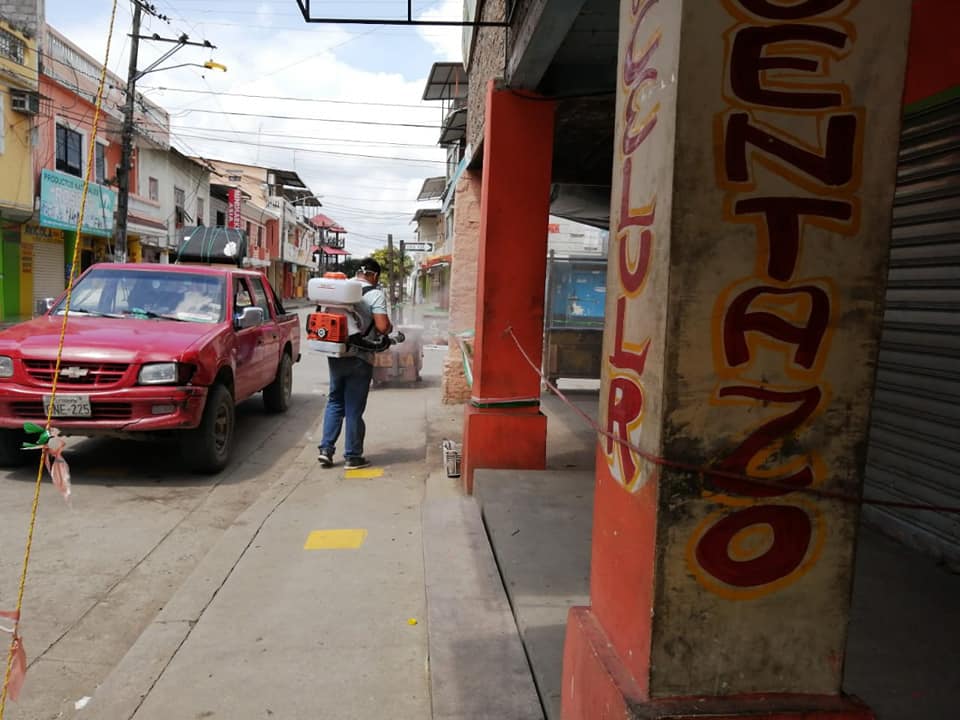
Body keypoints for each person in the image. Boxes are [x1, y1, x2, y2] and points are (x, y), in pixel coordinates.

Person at [317, 258, 392, 469]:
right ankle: (353, 456)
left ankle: (326, 450)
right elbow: (382, 326)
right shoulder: (375, 294)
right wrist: (388, 329)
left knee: (334, 401)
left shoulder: (340, 289)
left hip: (336, 353)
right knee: (353, 408)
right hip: (360, 357)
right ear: (374, 275)